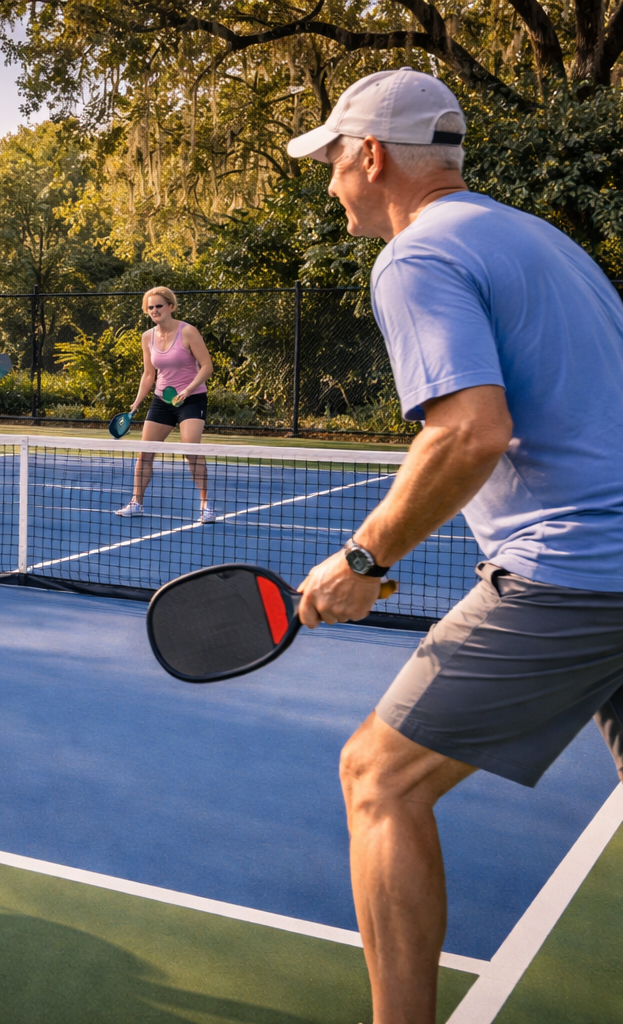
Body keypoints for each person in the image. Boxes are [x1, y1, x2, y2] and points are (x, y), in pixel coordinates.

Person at [287, 68, 623, 1023]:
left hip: (579, 571)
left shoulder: (416, 255)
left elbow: (468, 431)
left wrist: (362, 561)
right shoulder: (538, 238)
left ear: (372, 155)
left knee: (378, 777)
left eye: (333, 163)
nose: (330, 186)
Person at [115, 287, 217, 522]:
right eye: (150, 307)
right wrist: (136, 404)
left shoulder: (188, 332)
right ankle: (136, 502)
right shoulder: (147, 337)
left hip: (191, 398)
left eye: (159, 306)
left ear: (171, 306)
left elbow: (207, 367)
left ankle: (205, 506)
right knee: (145, 454)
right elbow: (149, 374)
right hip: (162, 400)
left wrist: (189, 389)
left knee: (191, 450)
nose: (154, 311)